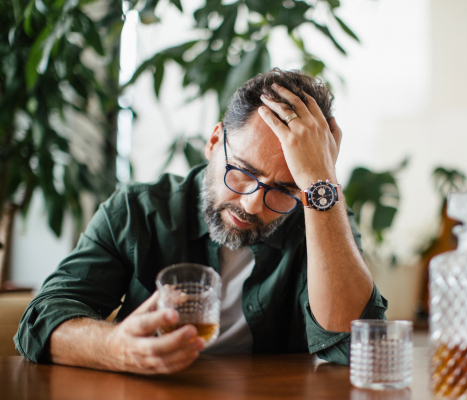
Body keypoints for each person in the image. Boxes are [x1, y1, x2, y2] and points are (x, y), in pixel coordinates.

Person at [15, 69, 387, 374]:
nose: (252, 203)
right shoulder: (138, 210)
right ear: (214, 142)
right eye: (242, 172)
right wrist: (115, 347)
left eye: (285, 188)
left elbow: (353, 344)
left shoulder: (321, 218)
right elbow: (41, 320)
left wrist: (319, 185)